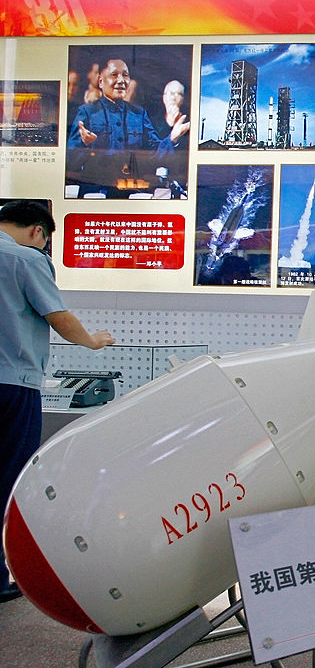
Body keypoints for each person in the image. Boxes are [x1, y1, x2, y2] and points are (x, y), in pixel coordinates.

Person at [0, 200, 115, 602]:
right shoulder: (26, 259)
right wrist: (93, 341)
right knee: (8, 477)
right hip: (12, 384)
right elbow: (59, 317)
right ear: (38, 231)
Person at [66, 58, 190, 198]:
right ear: (100, 82)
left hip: (132, 195)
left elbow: (155, 155)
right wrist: (84, 145)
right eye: (114, 75)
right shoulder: (87, 112)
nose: (121, 80)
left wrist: (172, 138)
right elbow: (69, 162)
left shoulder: (139, 114)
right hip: (95, 195)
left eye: (125, 75)